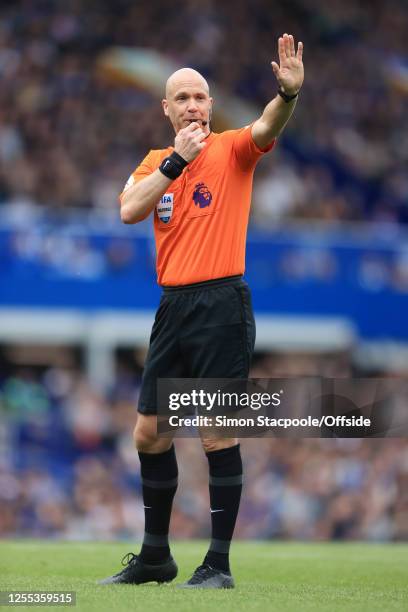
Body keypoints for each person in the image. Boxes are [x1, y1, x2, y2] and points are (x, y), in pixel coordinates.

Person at [100, 33, 304, 589]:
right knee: (149, 433)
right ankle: (155, 557)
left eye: (200, 97)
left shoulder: (234, 148)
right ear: (165, 108)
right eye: (182, 98)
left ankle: (218, 564)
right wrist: (174, 162)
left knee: (216, 432)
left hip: (221, 302)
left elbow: (266, 128)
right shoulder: (153, 164)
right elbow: (128, 212)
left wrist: (286, 97)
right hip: (173, 306)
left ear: (211, 106)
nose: (193, 105)